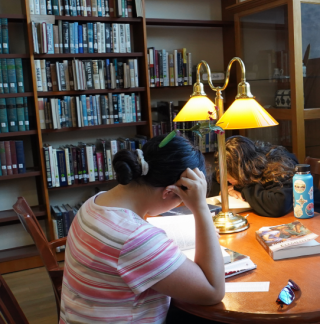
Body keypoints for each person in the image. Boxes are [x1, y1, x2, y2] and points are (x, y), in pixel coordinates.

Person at [59, 135, 225, 324]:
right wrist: (200, 207)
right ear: (169, 192)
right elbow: (213, 291)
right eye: (181, 201)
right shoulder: (134, 238)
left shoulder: (95, 202)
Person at [217, 135, 320, 217]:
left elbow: (278, 205)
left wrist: (243, 189)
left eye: (230, 172)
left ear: (243, 167)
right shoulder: (253, 169)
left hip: (318, 217)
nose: (226, 178)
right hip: (294, 218)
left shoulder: (279, 167)